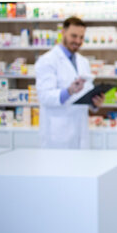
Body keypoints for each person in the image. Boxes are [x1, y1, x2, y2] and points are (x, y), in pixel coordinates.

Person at [35, 17, 104, 149]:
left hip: (80, 132)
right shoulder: (47, 61)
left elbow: (84, 95)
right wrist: (69, 91)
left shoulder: (83, 62)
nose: (78, 41)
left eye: (81, 37)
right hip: (57, 135)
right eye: (74, 36)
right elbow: (44, 97)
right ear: (63, 32)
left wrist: (94, 103)